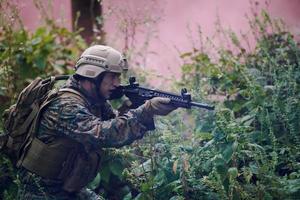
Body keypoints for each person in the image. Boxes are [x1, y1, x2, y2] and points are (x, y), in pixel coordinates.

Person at [17, 45, 177, 200]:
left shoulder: (94, 101)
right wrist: (146, 111)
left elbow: (115, 125)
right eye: (112, 76)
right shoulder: (66, 105)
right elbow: (104, 134)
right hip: (41, 192)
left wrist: (134, 106)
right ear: (93, 74)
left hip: (69, 187)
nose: (117, 83)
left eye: (118, 77)